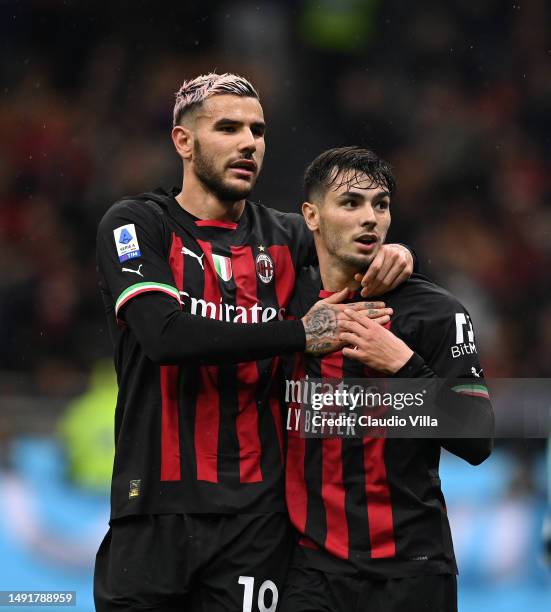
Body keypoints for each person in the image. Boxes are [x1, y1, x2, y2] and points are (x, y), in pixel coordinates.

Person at [94, 74, 414, 611]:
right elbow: (164, 334)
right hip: (150, 510)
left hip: (256, 523)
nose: (249, 143)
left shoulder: (288, 237)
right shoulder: (137, 224)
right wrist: (296, 334)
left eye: (258, 130)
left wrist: (398, 255)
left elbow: (358, 240)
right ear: (183, 141)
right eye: (228, 127)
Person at [280, 146, 494, 612]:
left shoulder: (436, 313)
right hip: (311, 575)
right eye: (351, 203)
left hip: (413, 572)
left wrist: (405, 367)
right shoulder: (286, 306)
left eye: (380, 205)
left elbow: (477, 439)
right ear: (311, 216)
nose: (370, 218)